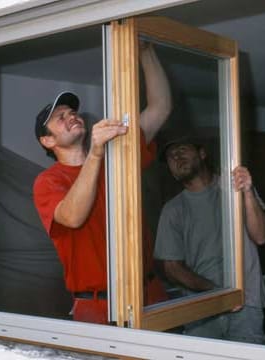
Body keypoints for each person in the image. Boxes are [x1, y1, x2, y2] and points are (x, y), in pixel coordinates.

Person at [33, 44, 171, 324]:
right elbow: (72, 217)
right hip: (99, 307)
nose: (71, 115)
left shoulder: (115, 158)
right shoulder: (48, 181)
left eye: (72, 112)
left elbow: (160, 108)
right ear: (48, 141)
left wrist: (144, 51)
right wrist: (96, 152)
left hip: (150, 293)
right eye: (60, 117)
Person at [154, 135, 265, 343]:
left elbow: (260, 237)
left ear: (202, 153)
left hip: (246, 302)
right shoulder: (173, 210)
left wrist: (248, 192)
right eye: (171, 156)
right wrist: (217, 293)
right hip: (201, 310)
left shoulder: (235, 188)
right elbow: (172, 267)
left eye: (181, 149)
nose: (177, 157)